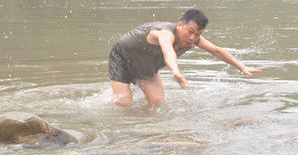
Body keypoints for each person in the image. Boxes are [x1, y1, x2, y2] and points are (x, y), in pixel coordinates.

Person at [108, 9, 266, 106]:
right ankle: (112, 99)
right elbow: (168, 51)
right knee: (124, 103)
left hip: (146, 65)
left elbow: (216, 50)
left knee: (157, 104)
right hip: (123, 56)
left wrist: (242, 67)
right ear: (179, 25)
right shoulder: (164, 33)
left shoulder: (194, 39)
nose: (192, 37)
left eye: (197, 34)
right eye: (190, 31)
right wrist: (175, 72)